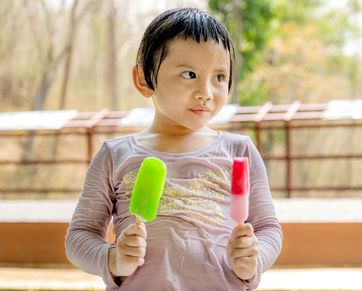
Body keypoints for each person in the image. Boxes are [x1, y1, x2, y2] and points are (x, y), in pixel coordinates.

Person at [65, 7, 282, 291]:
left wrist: (254, 259)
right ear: (144, 79)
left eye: (219, 77)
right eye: (189, 74)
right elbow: (79, 236)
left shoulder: (239, 151)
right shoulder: (114, 155)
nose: (206, 91)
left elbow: (268, 229)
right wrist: (113, 259)